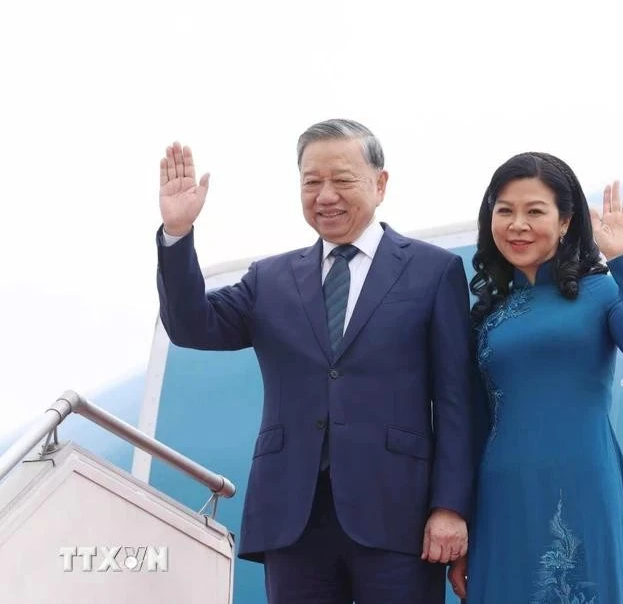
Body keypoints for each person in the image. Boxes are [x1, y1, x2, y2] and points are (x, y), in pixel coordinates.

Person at [154, 119, 474, 604]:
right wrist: (178, 234)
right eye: (311, 181)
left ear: (380, 183)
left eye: (342, 179)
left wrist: (450, 507)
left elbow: (457, 401)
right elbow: (191, 326)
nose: (326, 195)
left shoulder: (434, 272)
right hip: (292, 519)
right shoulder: (270, 279)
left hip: (396, 516)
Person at [448, 152, 623, 603]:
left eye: (535, 211)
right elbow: (472, 420)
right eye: (505, 210)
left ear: (566, 221)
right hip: (502, 493)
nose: (517, 225)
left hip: (582, 482)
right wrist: (464, 519)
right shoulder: (488, 313)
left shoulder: (602, 291)